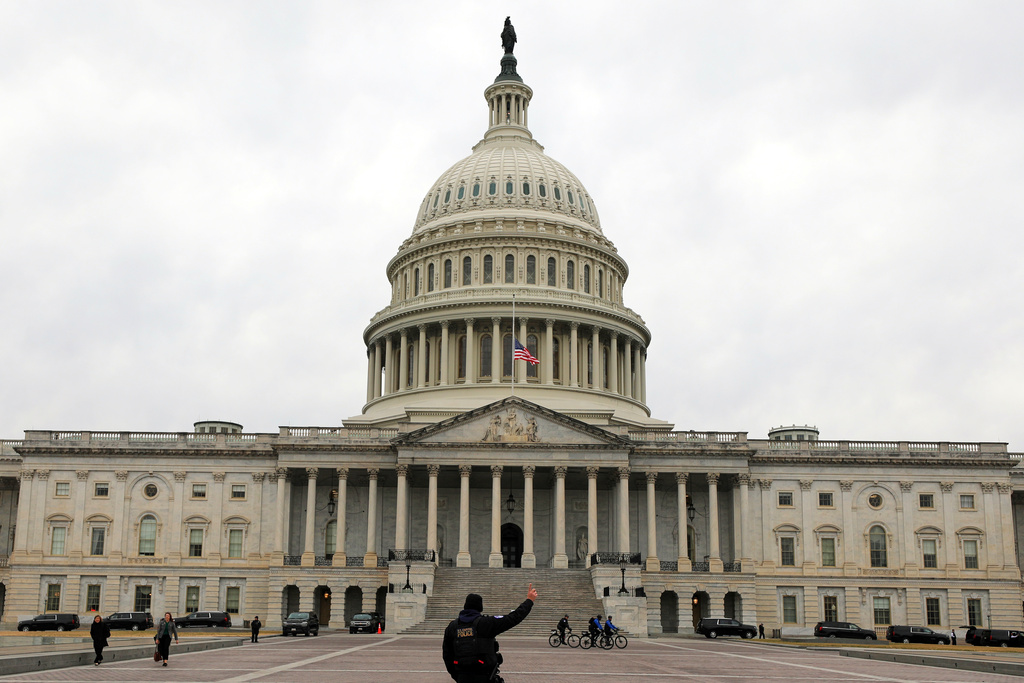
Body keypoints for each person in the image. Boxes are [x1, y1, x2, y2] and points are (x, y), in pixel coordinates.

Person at [443, 583, 537, 683]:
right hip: (485, 676)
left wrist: (457, 676)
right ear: (480, 608)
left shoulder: (452, 627)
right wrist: (529, 600)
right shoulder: (486, 623)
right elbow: (513, 618)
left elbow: (447, 655)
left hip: (462, 677)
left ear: (465, 606)